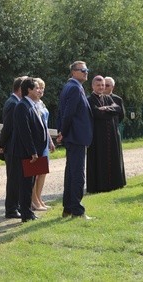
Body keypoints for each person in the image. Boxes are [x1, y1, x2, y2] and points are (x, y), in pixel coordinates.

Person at [56, 61, 94, 219]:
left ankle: (68, 209)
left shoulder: (70, 86)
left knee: (71, 174)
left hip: (73, 136)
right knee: (77, 175)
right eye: (83, 70)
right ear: (73, 72)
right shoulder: (74, 88)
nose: (86, 72)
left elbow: (63, 112)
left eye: (87, 70)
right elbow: (67, 113)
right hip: (76, 137)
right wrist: (62, 132)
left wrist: (62, 132)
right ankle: (77, 210)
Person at [12, 77, 48, 223]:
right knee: (26, 184)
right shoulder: (22, 106)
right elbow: (24, 131)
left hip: (33, 152)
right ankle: (26, 214)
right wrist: (32, 151)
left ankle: (28, 212)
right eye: (36, 88)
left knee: (30, 183)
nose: (39, 90)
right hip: (26, 153)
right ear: (29, 90)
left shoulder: (31, 104)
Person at [86, 75, 126, 193]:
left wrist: (106, 108)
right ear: (93, 86)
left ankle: (114, 184)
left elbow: (118, 109)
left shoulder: (108, 98)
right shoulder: (89, 100)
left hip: (112, 135)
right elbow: (97, 113)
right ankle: (100, 186)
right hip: (98, 137)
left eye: (103, 85)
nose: (101, 87)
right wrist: (108, 110)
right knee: (99, 160)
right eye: (98, 85)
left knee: (113, 158)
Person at [0, 76, 27, 219]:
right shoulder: (13, 103)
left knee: (17, 179)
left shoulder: (16, 102)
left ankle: (17, 207)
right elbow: (8, 127)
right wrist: (2, 145)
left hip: (15, 147)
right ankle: (11, 210)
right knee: (14, 179)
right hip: (12, 147)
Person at [31, 78, 55, 211]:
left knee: (43, 171)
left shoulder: (41, 103)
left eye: (43, 88)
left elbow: (45, 126)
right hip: (37, 142)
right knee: (35, 172)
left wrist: (50, 141)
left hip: (45, 141)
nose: (40, 90)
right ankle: (33, 200)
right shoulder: (31, 104)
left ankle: (39, 198)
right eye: (38, 87)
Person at [104, 76, 126, 177]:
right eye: (103, 85)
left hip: (113, 129)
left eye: (107, 85)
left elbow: (121, 115)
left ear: (112, 87)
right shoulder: (97, 98)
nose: (104, 87)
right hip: (101, 131)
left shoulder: (117, 99)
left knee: (115, 155)